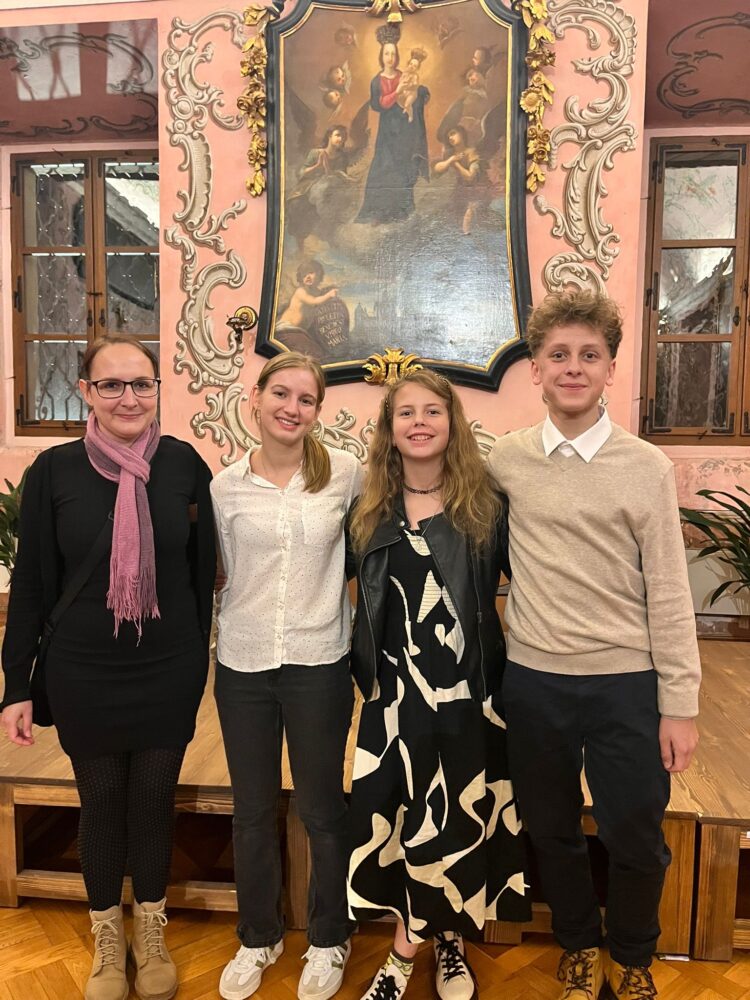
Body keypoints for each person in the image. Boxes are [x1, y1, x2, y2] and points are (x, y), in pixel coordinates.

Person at [486, 291, 701, 1000]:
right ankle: (578, 946)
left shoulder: (645, 466)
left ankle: (632, 955)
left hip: (626, 684)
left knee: (635, 831)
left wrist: (680, 705)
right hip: (535, 681)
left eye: (589, 355)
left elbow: (669, 589)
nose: (572, 367)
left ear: (611, 368)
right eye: (558, 355)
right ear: (536, 370)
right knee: (550, 829)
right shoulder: (507, 460)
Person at [0, 335, 216, 1000]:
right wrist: (15, 687)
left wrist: (195, 657)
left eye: (141, 384)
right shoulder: (54, 471)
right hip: (83, 670)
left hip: (168, 668)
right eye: (112, 385)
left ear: (157, 390)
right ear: (86, 392)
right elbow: (30, 586)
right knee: (100, 803)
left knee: (152, 801)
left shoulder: (183, 465)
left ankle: (150, 930)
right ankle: (106, 938)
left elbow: (203, 572)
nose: (129, 397)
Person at [347, 370, 529, 1000]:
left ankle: (427, 950)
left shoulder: (487, 506)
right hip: (396, 700)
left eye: (432, 411)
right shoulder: (368, 511)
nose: (419, 422)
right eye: (406, 413)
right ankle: (422, 941)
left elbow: (534, 583)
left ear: (452, 423)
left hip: (467, 695)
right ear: (389, 429)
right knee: (403, 822)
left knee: (456, 819)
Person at [210, 352, 363, 1000]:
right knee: (250, 811)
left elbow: (366, 554)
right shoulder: (225, 487)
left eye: (305, 399)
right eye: (281, 394)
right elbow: (219, 572)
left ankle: (329, 937)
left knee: (323, 809)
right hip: (242, 663)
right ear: (257, 397)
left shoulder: (345, 474)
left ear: (317, 411)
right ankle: (259, 935)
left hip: (318, 661)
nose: (291, 408)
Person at [355, 24, 429, 225]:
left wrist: (420, 93)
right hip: (388, 131)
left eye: (393, 54)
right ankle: (377, 212)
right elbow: (378, 105)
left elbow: (413, 93)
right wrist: (397, 92)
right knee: (383, 166)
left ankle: (402, 212)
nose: (390, 57)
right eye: (387, 53)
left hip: (404, 129)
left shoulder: (403, 75)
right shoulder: (376, 81)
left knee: (402, 167)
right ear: (381, 56)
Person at [396, 48, 427, 123]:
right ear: (408, 64)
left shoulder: (415, 76)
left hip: (411, 93)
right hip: (404, 91)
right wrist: (402, 83)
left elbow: (415, 85)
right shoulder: (405, 73)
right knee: (398, 99)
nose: (412, 66)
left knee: (407, 104)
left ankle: (410, 115)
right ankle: (405, 108)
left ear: (417, 69)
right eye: (411, 64)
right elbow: (400, 80)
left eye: (414, 66)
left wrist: (410, 84)